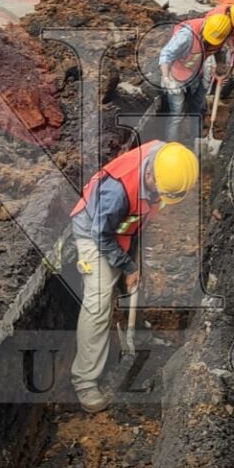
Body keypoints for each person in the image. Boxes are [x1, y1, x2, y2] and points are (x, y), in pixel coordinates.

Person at [68, 140, 199, 410]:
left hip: (125, 225)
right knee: (99, 300)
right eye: (160, 192)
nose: (163, 199)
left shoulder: (168, 161)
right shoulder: (117, 190)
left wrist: (133, 262)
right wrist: (127, 266)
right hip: (94, 232)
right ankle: (85, 381)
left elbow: (139, 212)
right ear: (149, 175)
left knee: (137, 281)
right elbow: (100, 233)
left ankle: (135, 336)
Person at [158, 13, 233, 141]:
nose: (208, 42)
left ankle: (195, 139)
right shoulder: (186, 35)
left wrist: (220, 63)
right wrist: (167, 79)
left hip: (196, 73)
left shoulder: (220, 34)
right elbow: (166, 55)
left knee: (199, 106)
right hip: (175, 76)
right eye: (206, 39)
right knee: (177, 112)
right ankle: (171, 145)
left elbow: (217, 49)